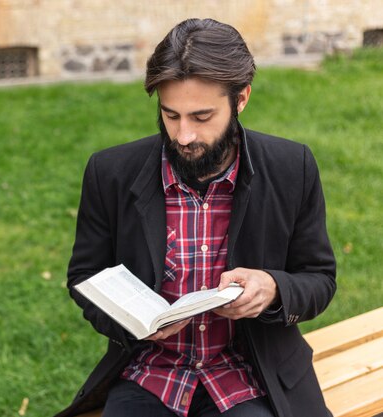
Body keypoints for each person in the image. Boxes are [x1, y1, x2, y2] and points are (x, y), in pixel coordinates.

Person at [55, 18, 336, 417]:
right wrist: (134, 321)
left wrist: (272, 289)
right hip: (149, 372)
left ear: (241, 100)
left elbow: (320, 279)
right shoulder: (110, 171)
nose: (183, 135)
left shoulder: (292, 167)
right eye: (171, 115)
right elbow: (85, 276)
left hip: (250, 376)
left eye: (201, 118)